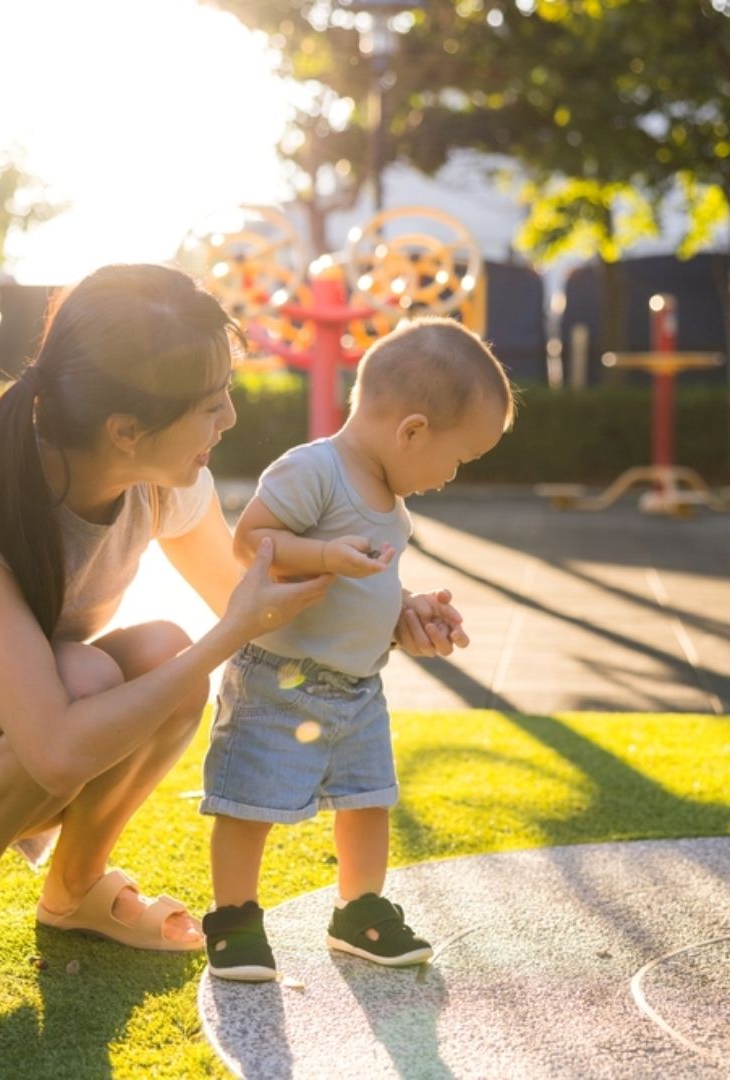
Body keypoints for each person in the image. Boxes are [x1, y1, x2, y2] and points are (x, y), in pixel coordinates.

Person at [0, 263, 334, 987]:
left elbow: (256, 598)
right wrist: (225, 640)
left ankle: (75, 890)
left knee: (161, 651)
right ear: (124, 429)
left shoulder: (163, 483)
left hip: (22, 725)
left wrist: (397, 614)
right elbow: (58, 753)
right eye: (210, 404)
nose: (229, 420)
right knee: (93, 672)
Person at [200, 315, 517, 982]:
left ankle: (359, 910)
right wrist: (324, 556)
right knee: (247, 799)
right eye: (458, 459)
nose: (451, 477)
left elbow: (374, 582)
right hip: (277, 681)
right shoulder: (314, 469)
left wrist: (407, 612)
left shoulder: (393, 506)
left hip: (358, 690)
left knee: (369, 798)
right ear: (412, 432)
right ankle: (233, 917)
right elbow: (250, 542)